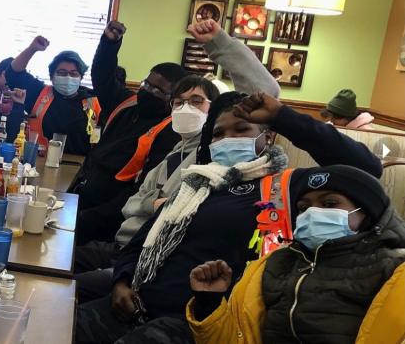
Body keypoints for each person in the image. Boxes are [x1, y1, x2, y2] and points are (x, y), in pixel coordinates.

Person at [75, 91, 382, 344]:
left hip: (198, 322)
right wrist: (122, 281)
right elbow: (141, 242)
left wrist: (283, 117)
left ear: (268, 137)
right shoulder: (197, 184)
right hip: (136, 303)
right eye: (219, 134)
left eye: (241, 130)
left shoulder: (286, 186)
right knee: (54, 321)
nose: (228, 140)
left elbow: (365, 170)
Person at [72, 20, 281, 305]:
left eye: (196, 102)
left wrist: (219, 43)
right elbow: (135, 203)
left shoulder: (212, 154)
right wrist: (154, 202)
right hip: (125, 245)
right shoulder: (175, 149)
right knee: (57, 257)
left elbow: (264, 91)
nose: (185, 108)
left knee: (67, 289)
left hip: (150, 262)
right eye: (178, 102)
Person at [188, 165, 404, 344]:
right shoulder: (271, 266)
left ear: (367, 211)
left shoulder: (394, 271)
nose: (312, 213)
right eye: (303, 208)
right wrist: (210, 303)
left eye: (329, 204)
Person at [71, 21, 187, 246]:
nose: (147, 92)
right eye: (146, 84)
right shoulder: (127, 102)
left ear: (173, 98)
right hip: (83, 196)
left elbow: (139, 192)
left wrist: (87, 218)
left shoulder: (169, 134)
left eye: (158, 91)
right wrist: (109, 44)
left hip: (108, 222)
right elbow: (103, 76)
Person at [3, 36, 100, 156]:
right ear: (52, 77)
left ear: (80, 78)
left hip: (80, 169)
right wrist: (32, 49)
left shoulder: (94, 102)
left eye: (74, 74)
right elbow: (13, 74)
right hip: (37, 165)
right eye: (62, 72)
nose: (68, 77)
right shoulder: (39, 93)